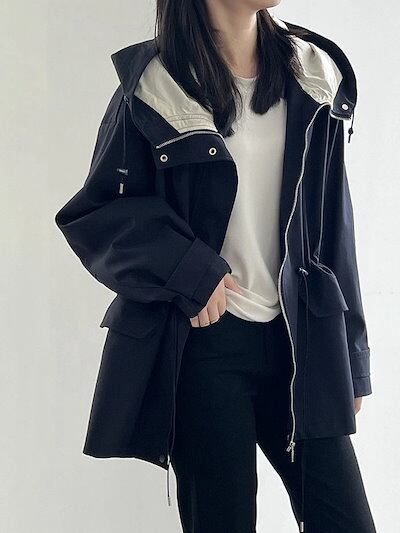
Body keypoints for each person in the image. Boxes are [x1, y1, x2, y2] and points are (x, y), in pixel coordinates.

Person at [55, 2, 376, 532]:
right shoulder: (158, 86)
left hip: (302, 342)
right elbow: (96, 214)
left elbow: (333, 226)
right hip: (207, 348)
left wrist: (353, 354)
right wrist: (191, 273)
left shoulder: (311, 74)